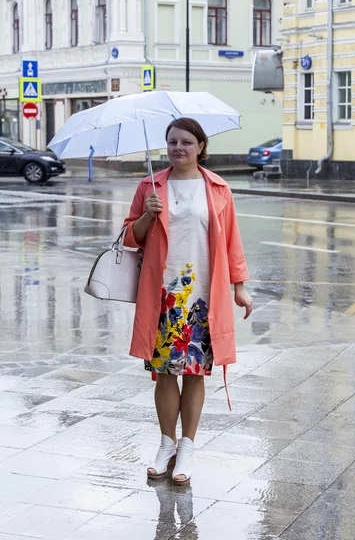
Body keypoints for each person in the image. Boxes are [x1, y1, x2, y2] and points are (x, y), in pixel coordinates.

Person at [123, 117, 252, 485]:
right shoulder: (151, 185)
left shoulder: (218, 189)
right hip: (162, 294)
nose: (178, 148)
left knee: (195, 374)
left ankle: (188, 447)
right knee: (163, 373)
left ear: (200, 147)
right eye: (172, 142)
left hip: (202, 296)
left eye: (186, 142)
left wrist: (239, 286)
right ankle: (166, 445)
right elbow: (130, 238)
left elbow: (232, 242)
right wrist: (148, 214)